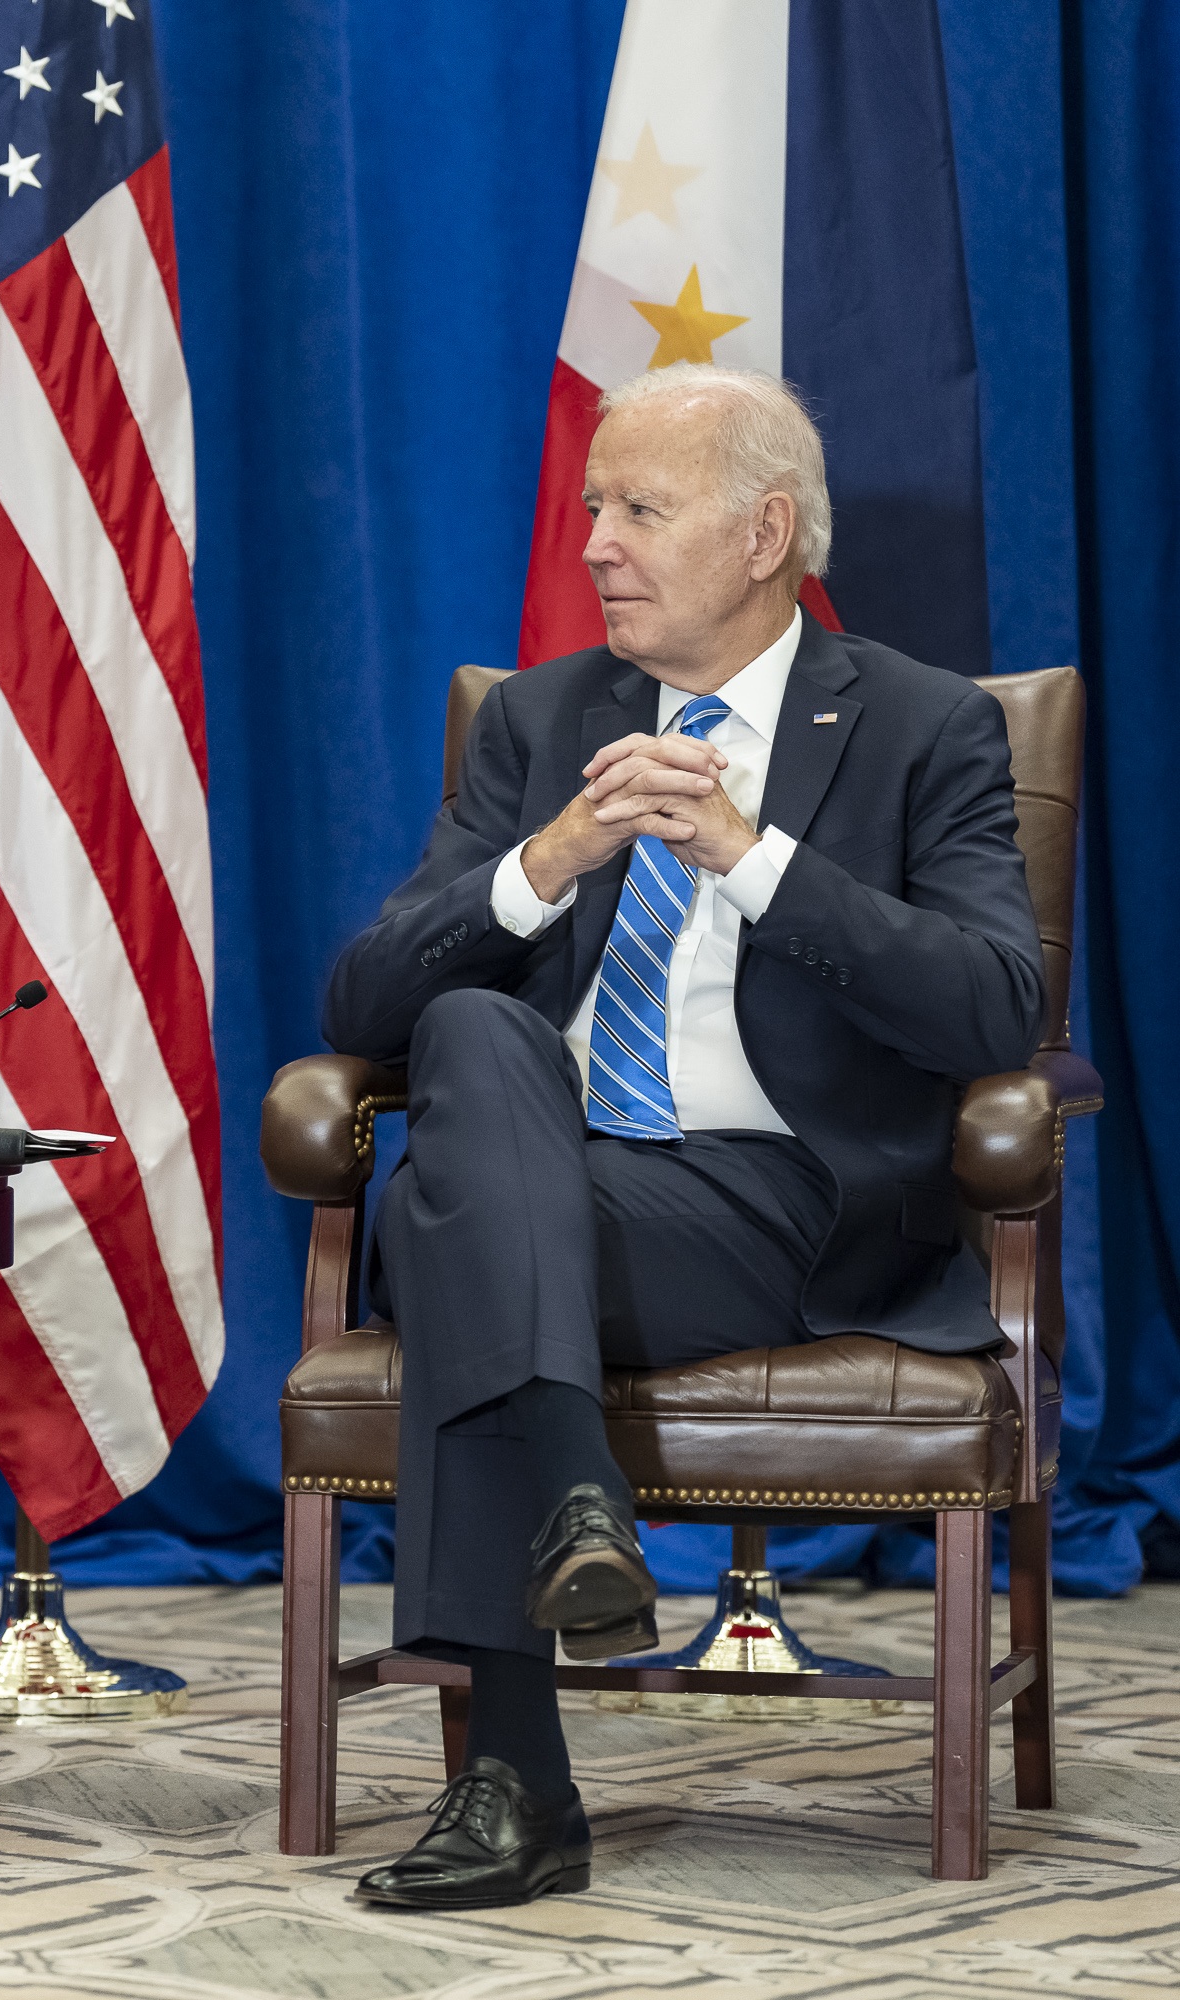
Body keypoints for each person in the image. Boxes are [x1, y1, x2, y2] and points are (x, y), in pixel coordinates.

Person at [321, 364, 1041, 1909]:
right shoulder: (540, 720)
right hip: (545, 1174)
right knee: (465, 1033)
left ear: (766, 531)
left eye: (639, 509)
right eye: (594, 506)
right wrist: (551, 854)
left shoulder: (924, 730)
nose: (596, 545)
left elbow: (995, 1008)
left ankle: (516, 1782)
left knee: (457, 1224)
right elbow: (363, 1000)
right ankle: (577, 1502)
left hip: (774, 1203)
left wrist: (751, 853)